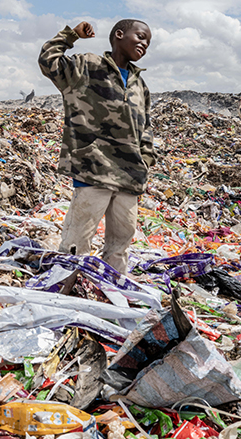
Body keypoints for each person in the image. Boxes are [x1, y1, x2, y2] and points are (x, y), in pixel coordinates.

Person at [38, 20, 155, 273]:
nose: (145, 44)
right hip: (93, 173)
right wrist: (71, 35)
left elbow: (145, 127)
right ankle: (68, 291)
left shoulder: (139, 84)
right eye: (141, 37)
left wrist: (146, 160)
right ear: (119, 35)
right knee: (76, 245)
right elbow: (49, 61)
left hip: (129, 178)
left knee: (119, 247)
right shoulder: (87, 66)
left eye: (148, 41)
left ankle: (110, 293)